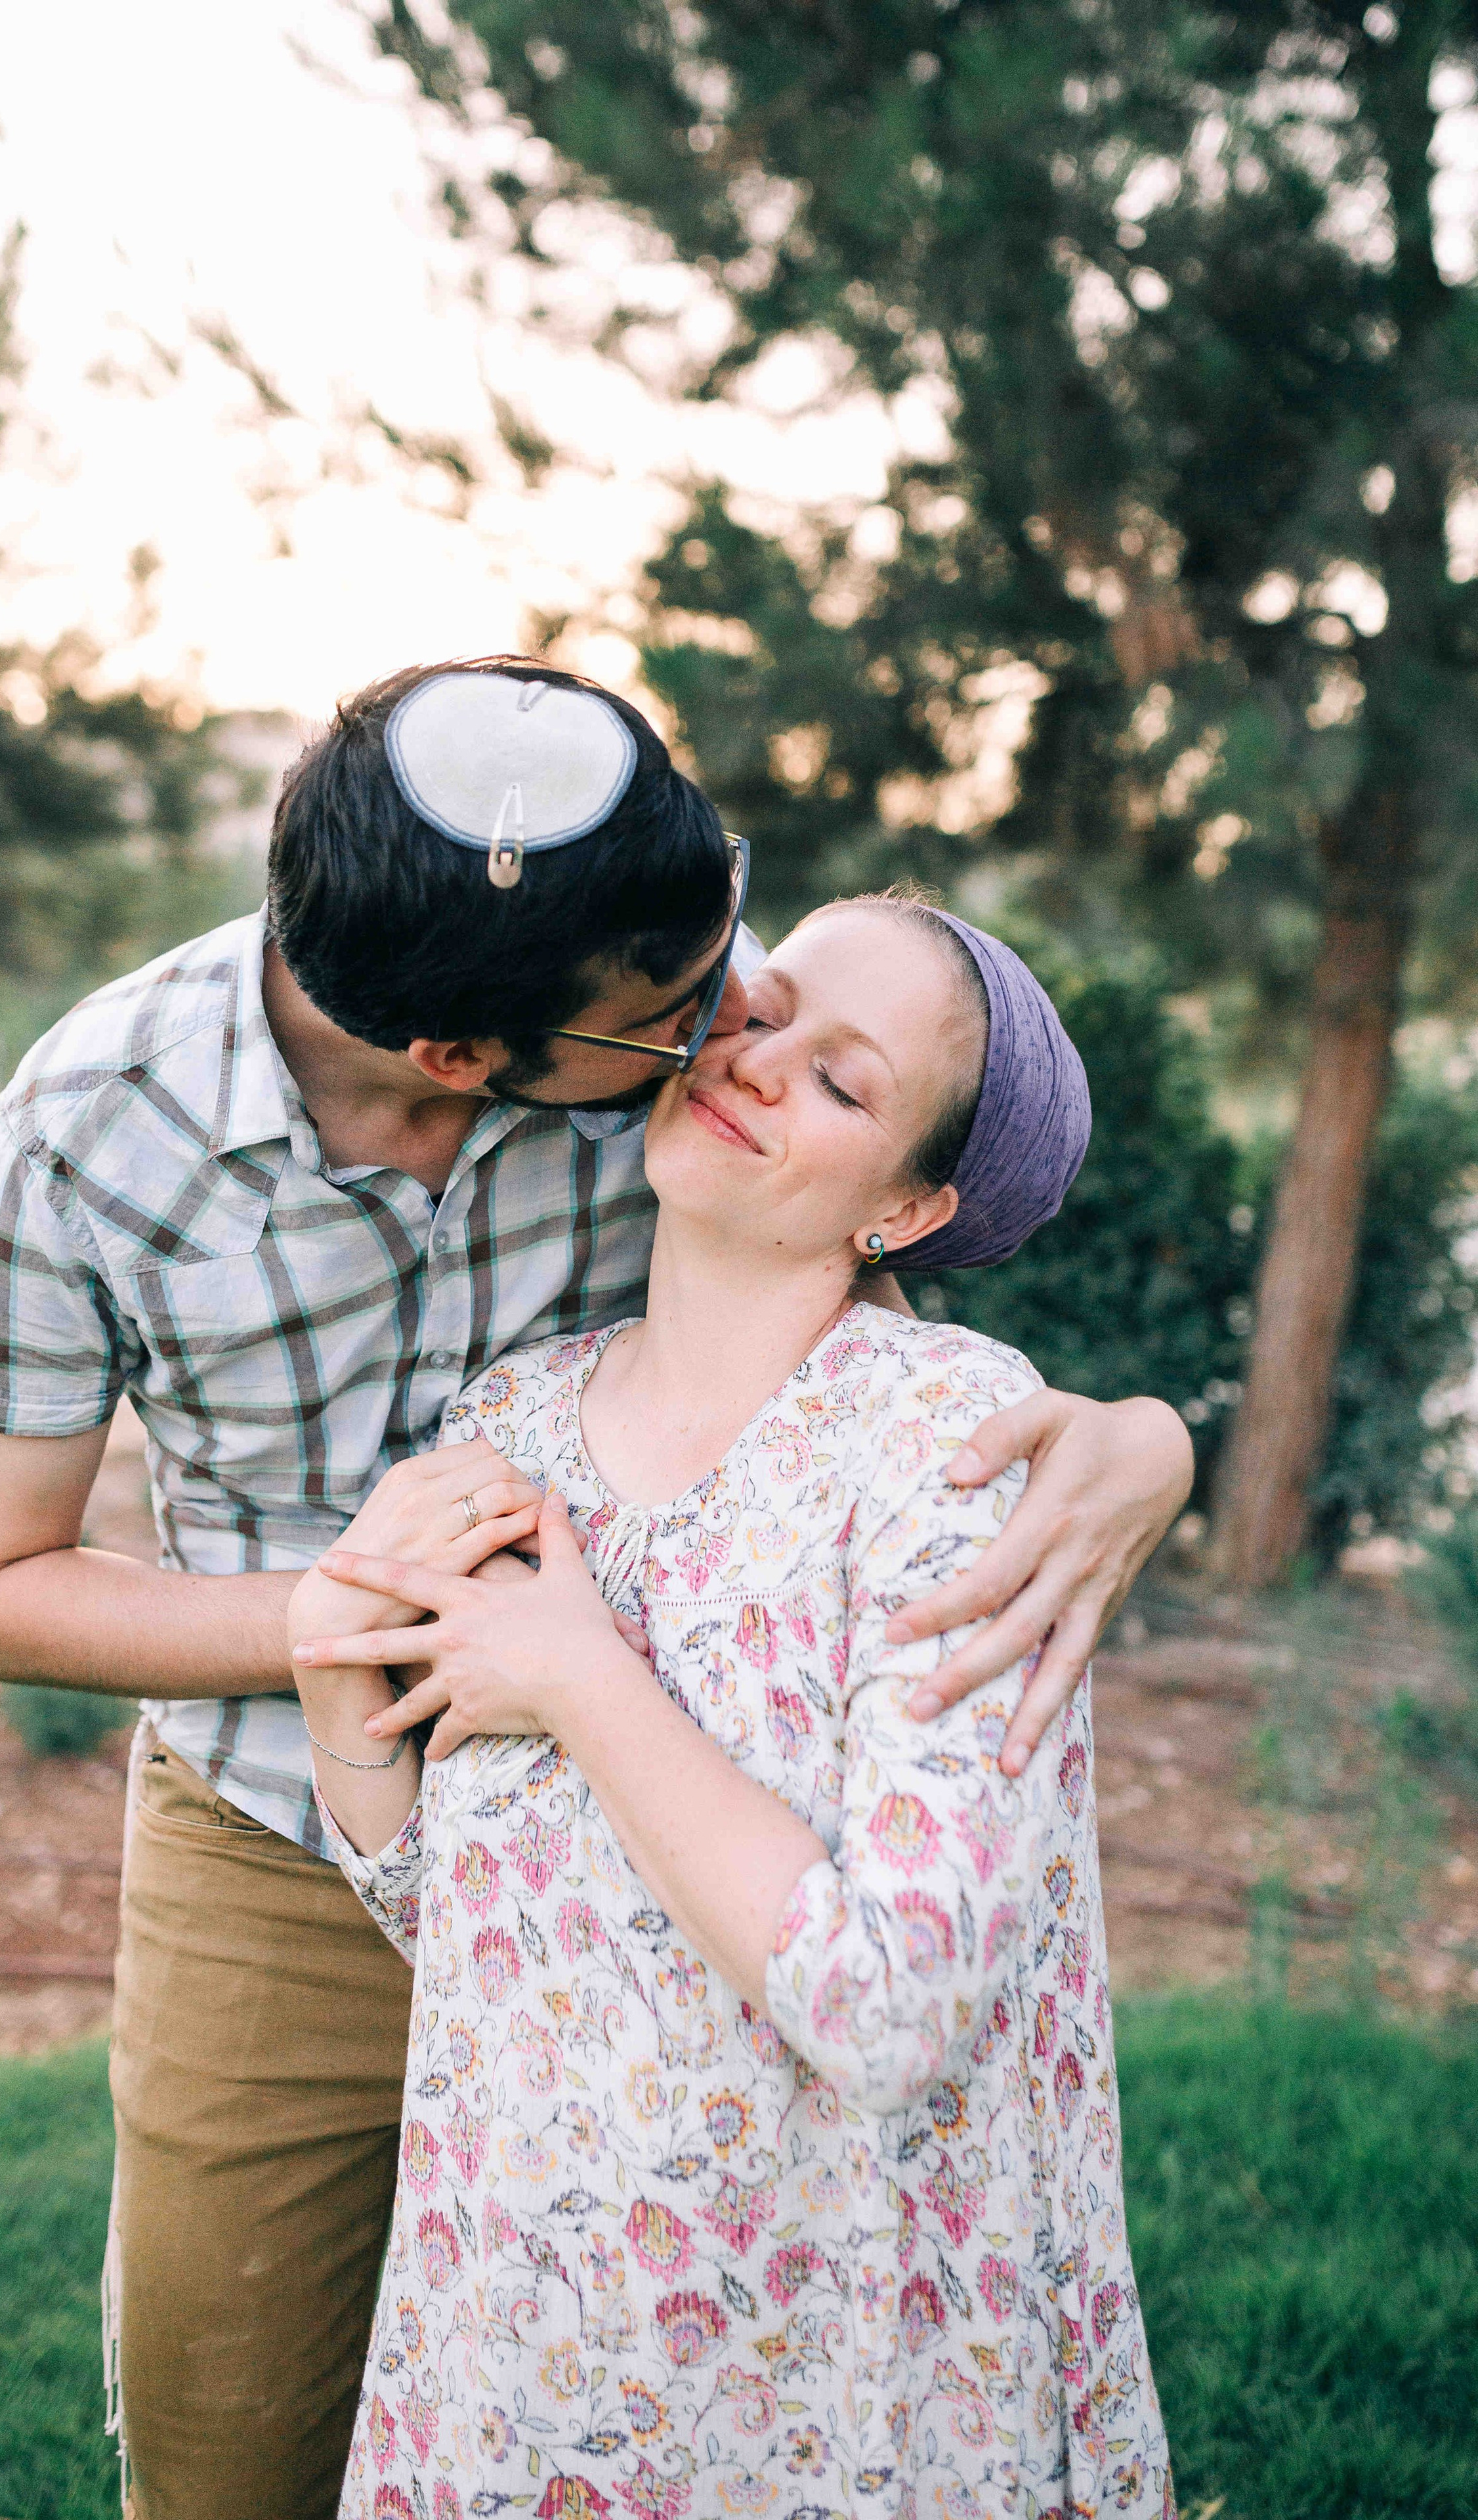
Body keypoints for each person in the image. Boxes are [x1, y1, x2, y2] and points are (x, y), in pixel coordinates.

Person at [0, 658, 1190, 2520]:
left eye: (749, 982)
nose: (735, 1023)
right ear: (467, 1057)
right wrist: (367, 1618)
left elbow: (877, 1266)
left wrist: (1143, 1439)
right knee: (233, 2448)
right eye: (692, 1017)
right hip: (288, 1841)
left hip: (688, 1906)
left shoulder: (652, 1000)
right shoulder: (88, 1140)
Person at [293, 891, 1172, 2519]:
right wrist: (331, 1673)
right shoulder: (514, 1415)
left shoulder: (947, 1449)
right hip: (517, 2330)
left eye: (841, 1085)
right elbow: (469, 1929)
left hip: (804, 2347)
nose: (752, 1067)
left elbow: (892, 2005)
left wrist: (572, 1672)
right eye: (761, 1015)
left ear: (905, 1208)